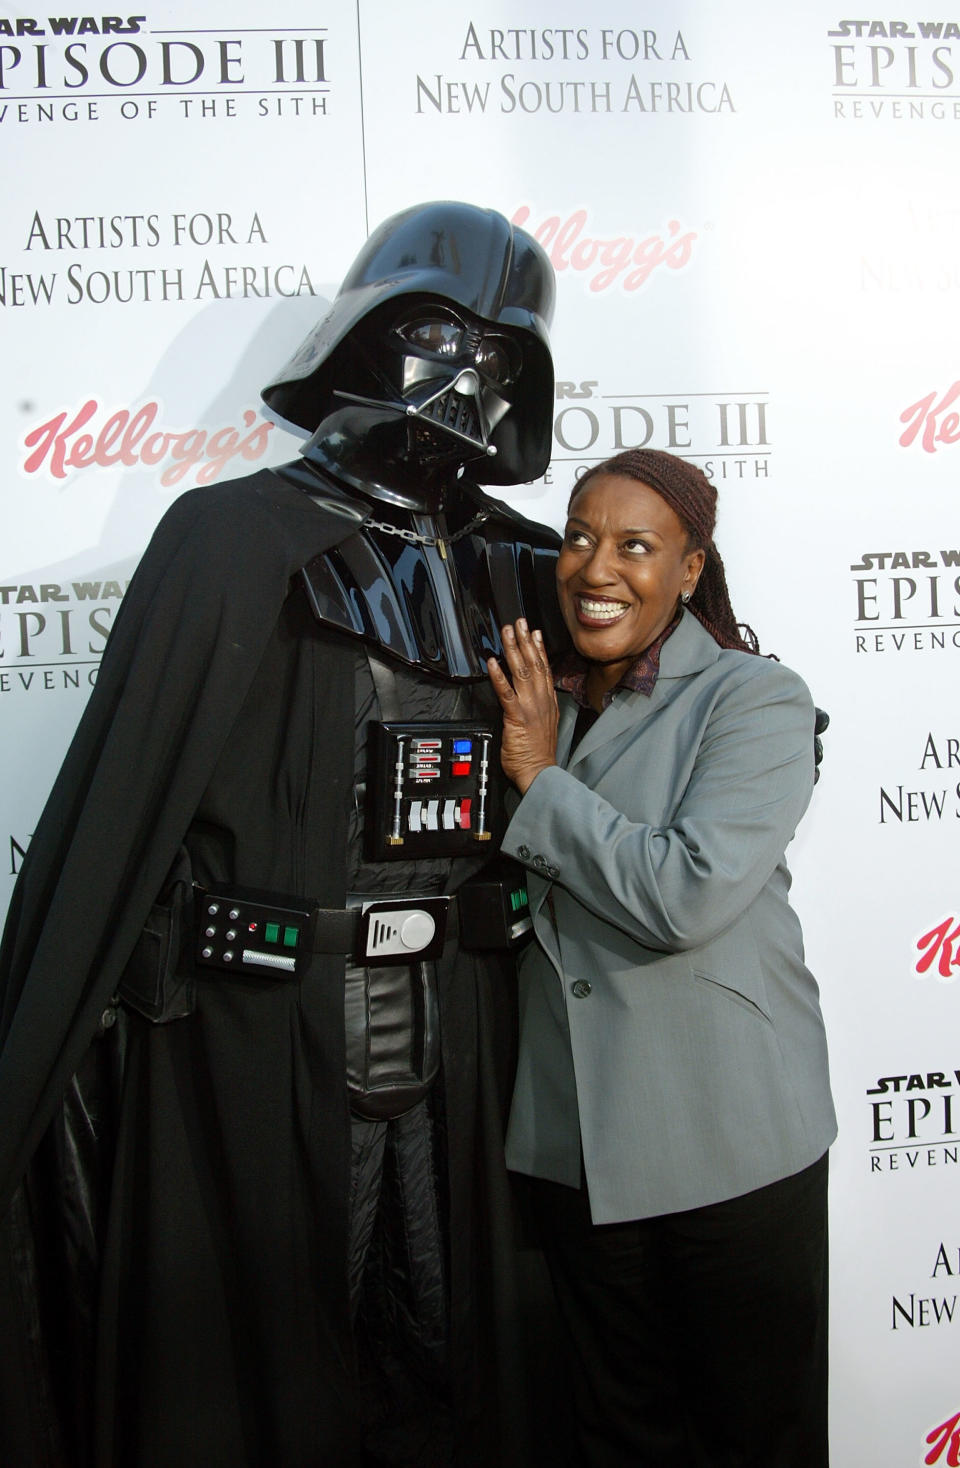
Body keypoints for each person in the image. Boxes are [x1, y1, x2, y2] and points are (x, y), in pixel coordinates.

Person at [0, 201, 568, 1468]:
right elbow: (120, 810)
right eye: (432, 332)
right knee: (264, 1368)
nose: (457, 374)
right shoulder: (234, 540)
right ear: (364, 335)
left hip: (472, 1038)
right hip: (261, 1037)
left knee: (453, 1358)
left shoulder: (529, 567)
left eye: (494, 351)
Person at [486, 447, 836, 1468]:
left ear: (689, 569)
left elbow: (685, 893)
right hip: (577, 1154)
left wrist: (539, 777)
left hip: (728, 1142)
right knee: (617, 1440)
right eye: (582, 538)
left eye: (636, 545)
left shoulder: (753, 698)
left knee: (752, 1437)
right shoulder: (534, 687)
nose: (599, 568)